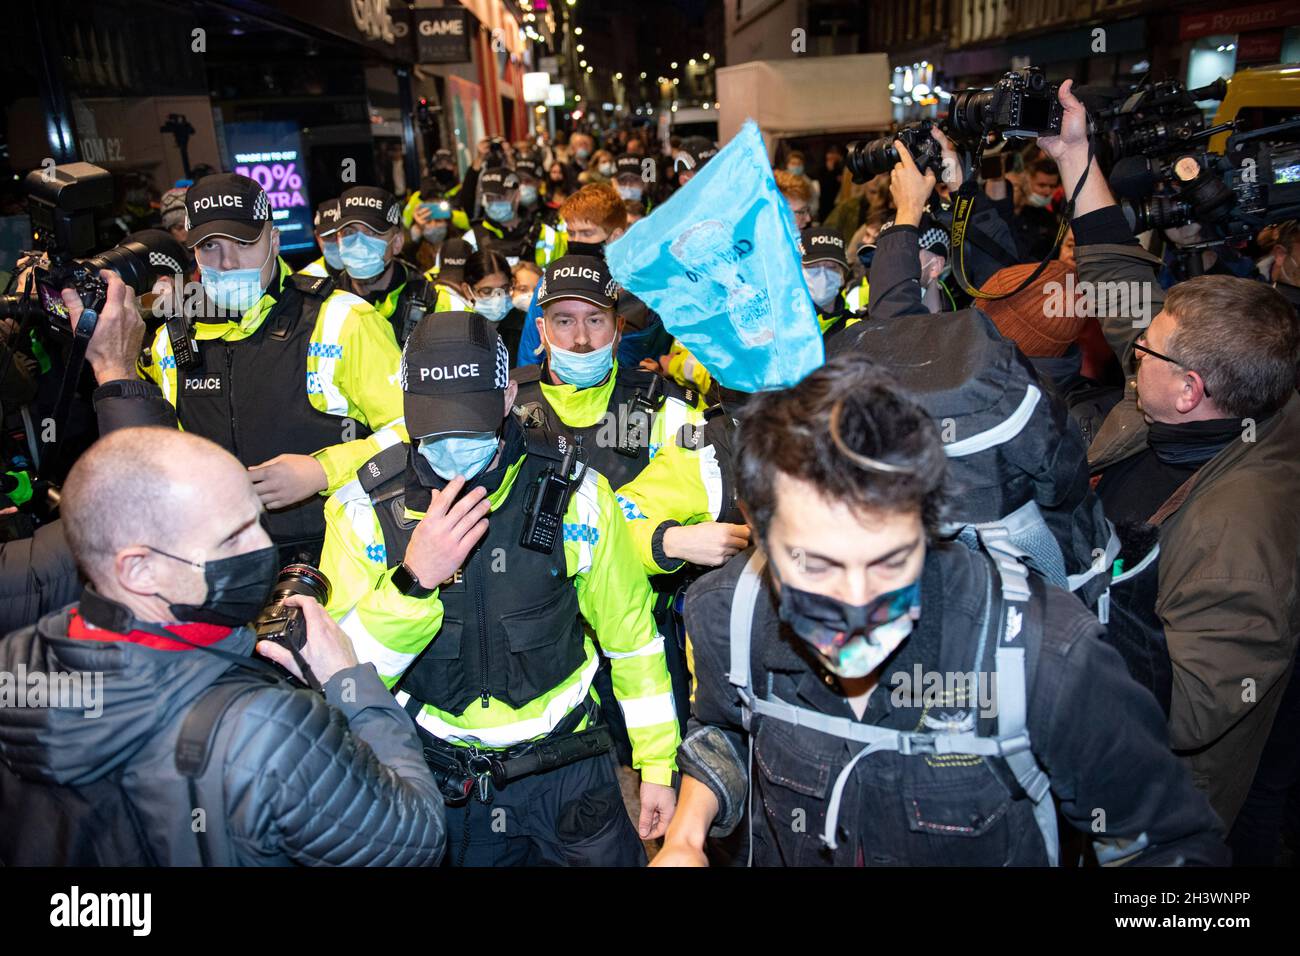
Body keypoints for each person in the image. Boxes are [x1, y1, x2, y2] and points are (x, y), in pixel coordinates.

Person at [653, 352, 1228, 867]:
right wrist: (685, 835)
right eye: (815, 567)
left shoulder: (1045, 654)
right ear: (756, 531)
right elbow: (727, 726)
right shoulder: (727, 612)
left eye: (890, 561)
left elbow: (1169, 847)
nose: (859, 607)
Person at [318, 312, 679, 866]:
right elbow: (343, 682)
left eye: (470, 426)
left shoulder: (577, 493)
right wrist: (413, 583)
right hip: (445, 781)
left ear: (509, 395)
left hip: (570, 774)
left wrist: (657, 764)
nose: (452, 446)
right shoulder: (365, 510)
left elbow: (630, 637)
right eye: (435, 429)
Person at [0, 427, 446, 866]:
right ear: (138, 569)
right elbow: (416, 839)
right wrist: (347, 680)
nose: (262, 546)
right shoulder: (265, 733)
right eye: (233, 538)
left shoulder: (18, 660)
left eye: (257, 520)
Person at [1043, 78, 1300, 837]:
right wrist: (1075, 159)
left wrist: (1082, 605)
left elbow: (1186, 707)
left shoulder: (1243, 541)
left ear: (1190, 391)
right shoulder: (1231, 391)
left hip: (1144, 816)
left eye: (1147, 346)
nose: (1132, 344)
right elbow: (1122, 289)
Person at [138, 173, 407, 565]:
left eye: (244, 243)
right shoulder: (172, 340)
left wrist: (322, 471)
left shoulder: (343, 320)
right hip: (220, 561)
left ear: (274, 240)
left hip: (339, 557)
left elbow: (413, 432)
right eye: (210, 246)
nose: (227, 263)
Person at [516, 184, 629, 366]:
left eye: (587, 233)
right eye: (571, 233)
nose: (576, 241)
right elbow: (530, 350)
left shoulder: (640, 287)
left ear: (615, 236)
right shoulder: (551, 282)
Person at [335, 185, 448, 347]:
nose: (359, 243)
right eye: (348, 233)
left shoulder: (432, 301)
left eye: (371, 233)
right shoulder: (324, 305)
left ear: (397, 242)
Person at [458, 250, 525, 365]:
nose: (497, 298)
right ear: (467, 290)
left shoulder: (525, 324)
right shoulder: (461, 331)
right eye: (486, 291)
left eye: (504, 288)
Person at [799, 226, 860, 347]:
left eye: (831, 267)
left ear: (842, 276)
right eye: (813, 266)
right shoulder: (779, 321)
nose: (823, 276)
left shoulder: (854, 330)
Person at [465, 169, 536, 266]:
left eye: (499, 197)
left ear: (517, 196)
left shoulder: (541, 234)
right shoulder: (472, 239)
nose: (494, 203)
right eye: (489, 198)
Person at [1012, 157, 1063, 261]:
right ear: (1027, 181)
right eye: (1042, 185)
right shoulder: (1007, 211)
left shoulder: (1050, 218)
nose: (1047, 191)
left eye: (1052, 186)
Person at [299, 197, 344, 280]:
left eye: (345, 234)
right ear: (318, 237)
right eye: (329, 235)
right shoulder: (305, 280)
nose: (339, 242)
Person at [816, 144, 845, 221]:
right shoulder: (822, 169)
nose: (832, 156)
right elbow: (824, 185)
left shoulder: (842, 168)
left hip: (839, 202)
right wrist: (830, 171)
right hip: (825, 203)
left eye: (835, 153)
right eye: (830, 153)